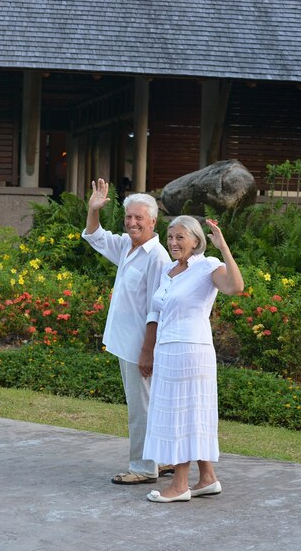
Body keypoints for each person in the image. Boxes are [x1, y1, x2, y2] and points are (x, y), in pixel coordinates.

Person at [143, 215, 244, 503]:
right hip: (168, 350)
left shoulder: (207, 266)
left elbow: (235, 287)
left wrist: (223, 247)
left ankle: (180, 485)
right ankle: (208, 478)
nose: (173, 242)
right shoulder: (169, 270)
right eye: (170, 236)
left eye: (180, 237)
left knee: (183, 415)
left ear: (196, 241)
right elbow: (158, 311)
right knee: (191, 412)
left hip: (190, 351)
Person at [82, 178, 173, 484]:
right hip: (127, 343)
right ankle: (160, 460)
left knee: (141, 407)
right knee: (147, 404)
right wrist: (93, 209)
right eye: (128, 218)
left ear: (153, 221)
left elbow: (156, 310)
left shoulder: (157, 257)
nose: (132, 223)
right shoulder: (126, 247)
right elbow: (95, 236)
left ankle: (144, 468)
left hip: (141, 346)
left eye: (139, 218)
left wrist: (147, 352)